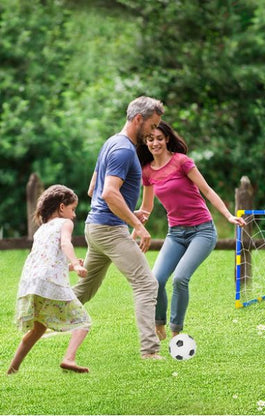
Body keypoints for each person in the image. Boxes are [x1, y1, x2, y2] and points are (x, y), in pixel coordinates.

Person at [72, 96, 165, 360]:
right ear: (139, 119)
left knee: (83, 290)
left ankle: (42, 317)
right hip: (109, 230)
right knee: (147, 285)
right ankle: (150, 351)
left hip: (96, 227)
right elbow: (109, 193)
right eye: (152, 125)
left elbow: (94, 189)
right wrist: (137, 224)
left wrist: (126, 210)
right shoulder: (124, 150)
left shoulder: (111, 142)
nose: (153, 132)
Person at [136, 120, 246, 340]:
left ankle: (177, 331)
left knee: (180, 278)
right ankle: (159, 325)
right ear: (146, 142)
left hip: (202, 231)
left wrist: (227, 215)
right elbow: (146, 207)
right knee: (156, 279)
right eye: (150, 139)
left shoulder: (181, 162)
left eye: (159, 138)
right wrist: (136, 228)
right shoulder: (147, 172)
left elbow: (206, 190)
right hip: (175, 233)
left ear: (167, 139)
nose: (155, 143)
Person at [7, 185, 92, 374]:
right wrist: (76, 264)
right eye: (73, 209)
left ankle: (12, 370)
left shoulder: (41, 230)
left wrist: (69, 265)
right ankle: (69, 359)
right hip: (50, 284)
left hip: (31, 283)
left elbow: (47, 259)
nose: (74, 215)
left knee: (38, 329)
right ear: (62, 207)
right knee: (83, 322)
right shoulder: (65, 224)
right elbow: (65, 243)